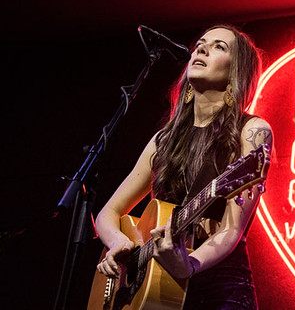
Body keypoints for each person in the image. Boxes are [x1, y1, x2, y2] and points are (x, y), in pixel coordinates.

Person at [95, 24, 272, 309]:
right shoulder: (163, 140)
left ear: (236, 72)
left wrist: (188, 265)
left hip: (219, 291)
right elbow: (108, 213)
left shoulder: (252, 130)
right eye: (200, 44)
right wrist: (118, 243)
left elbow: (231, 229)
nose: (202, 49)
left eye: (219, 47)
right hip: (157, 288)